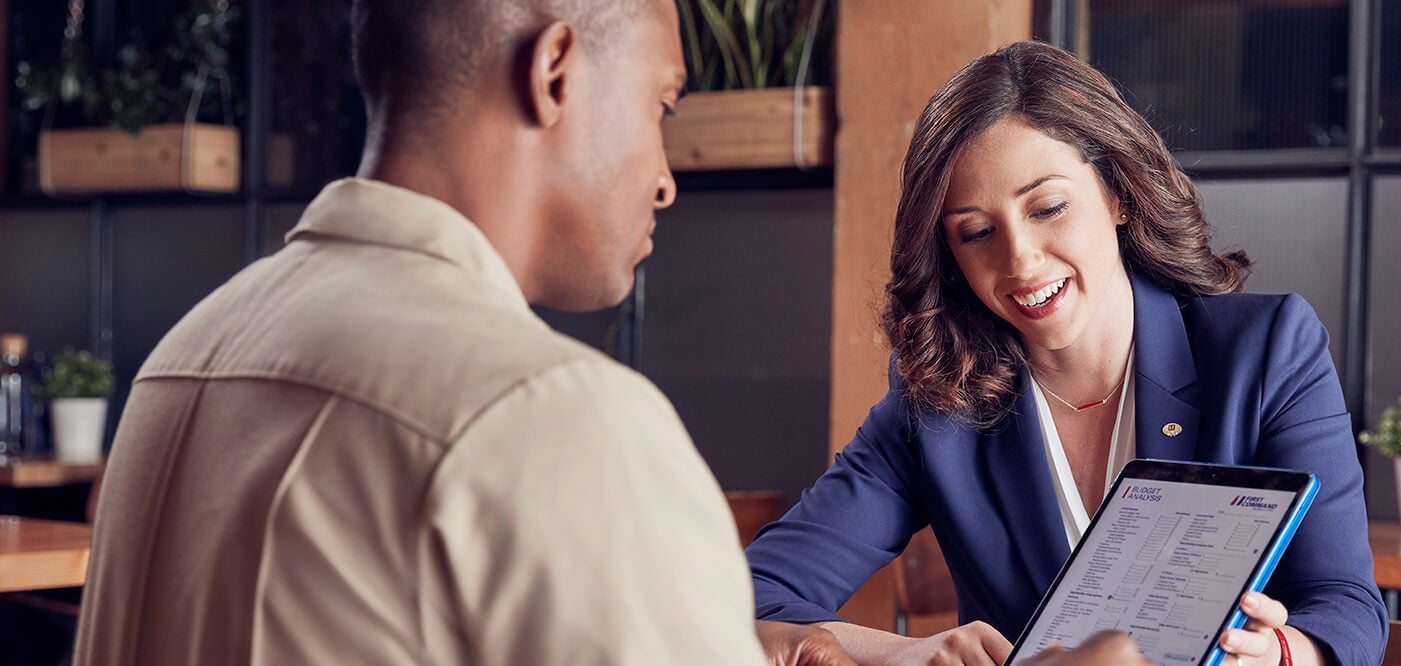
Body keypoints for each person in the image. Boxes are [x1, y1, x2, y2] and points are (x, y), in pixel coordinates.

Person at [73, 1, 851, 663]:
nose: (664, 178)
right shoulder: (551, 412)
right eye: (662, 107)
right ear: (555, 73)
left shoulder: (178, 362)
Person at [746, 40, 1388, 666]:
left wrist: (1278, 651)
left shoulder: (1269, 350)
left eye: (1048, 207)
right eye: (976, 233)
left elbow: (1347, 606)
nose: (1020, 260)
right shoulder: (938, 400)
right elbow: (750, 597)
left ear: (1119, 194)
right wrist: (902, 652)